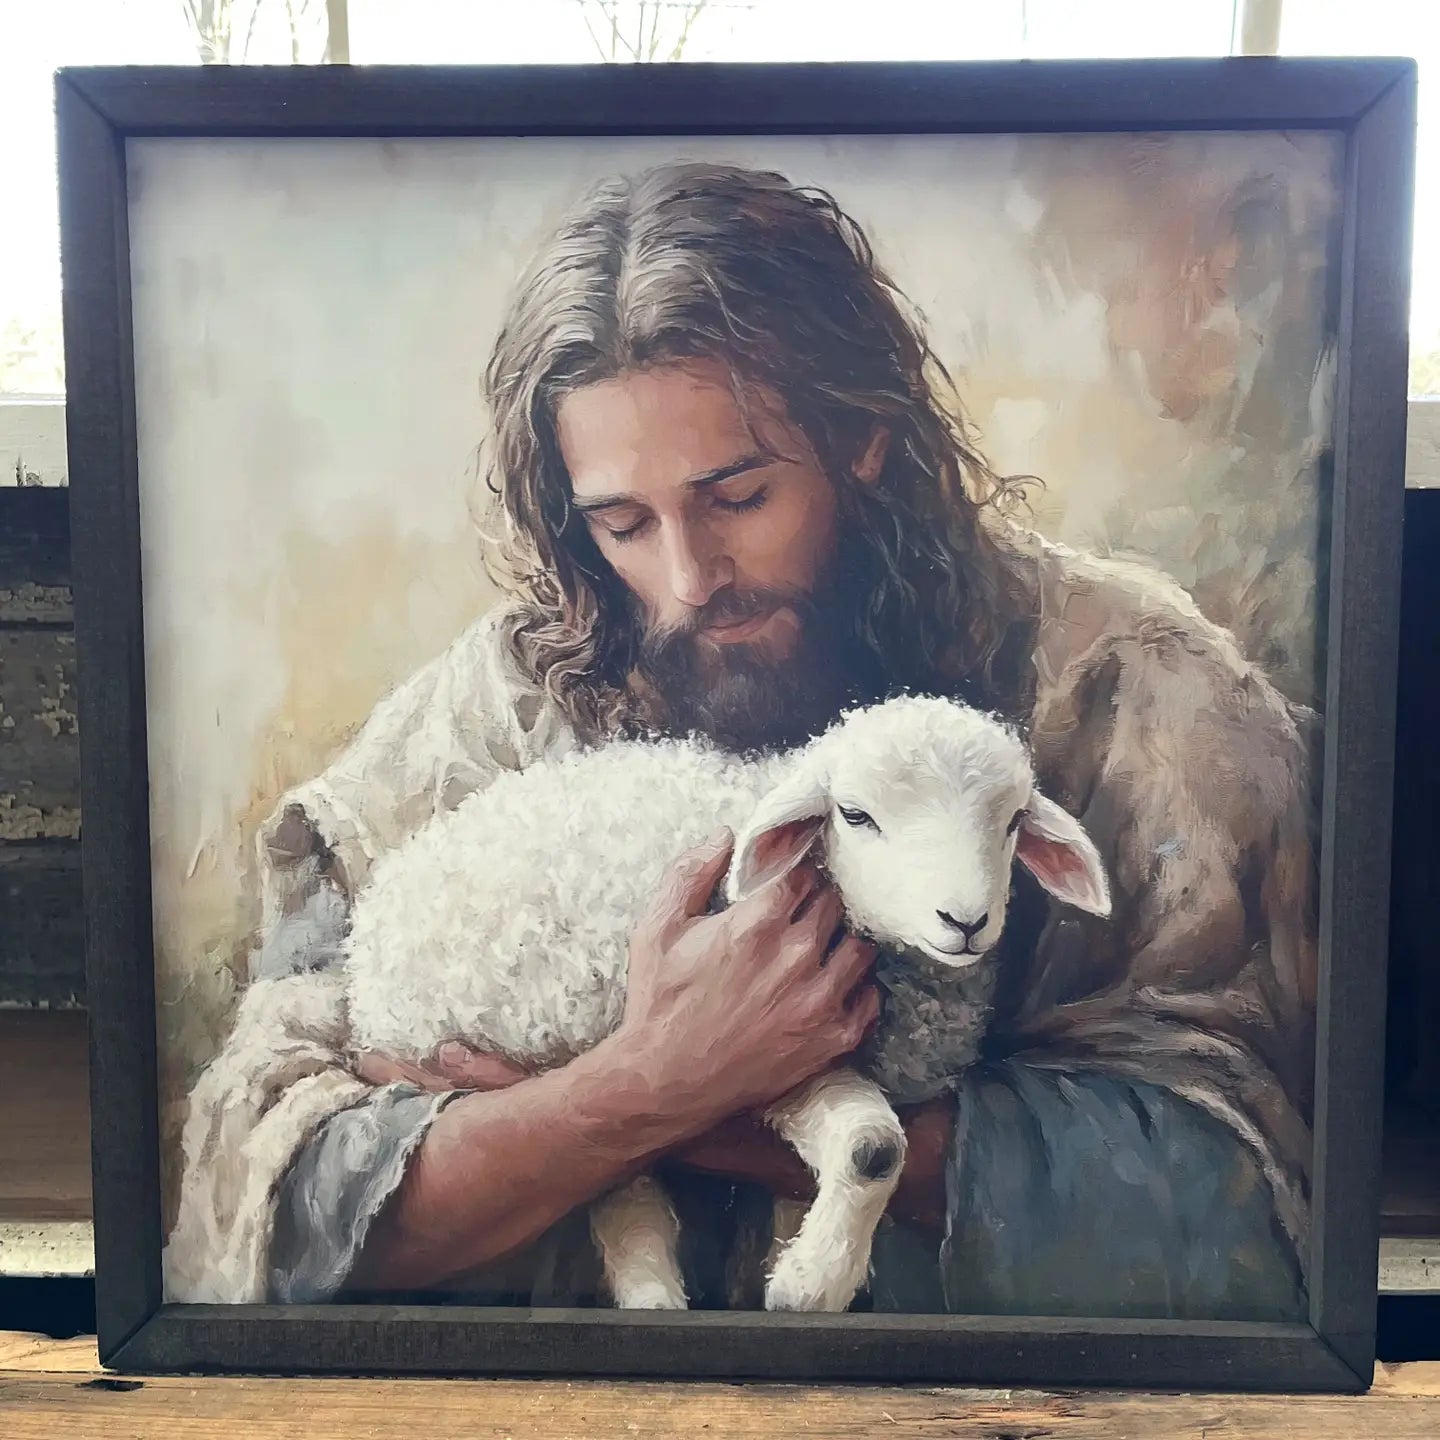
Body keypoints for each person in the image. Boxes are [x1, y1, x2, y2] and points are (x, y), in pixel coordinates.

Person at [164, 162, 1317, 1319]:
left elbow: (1242, 1218)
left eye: (740, 498)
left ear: (861, 439)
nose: (688, 580)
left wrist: (694, 1106)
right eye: (623, 523)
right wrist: (635, 1086)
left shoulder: (1136, 702)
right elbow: (267, 1198)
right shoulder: (494, 716)